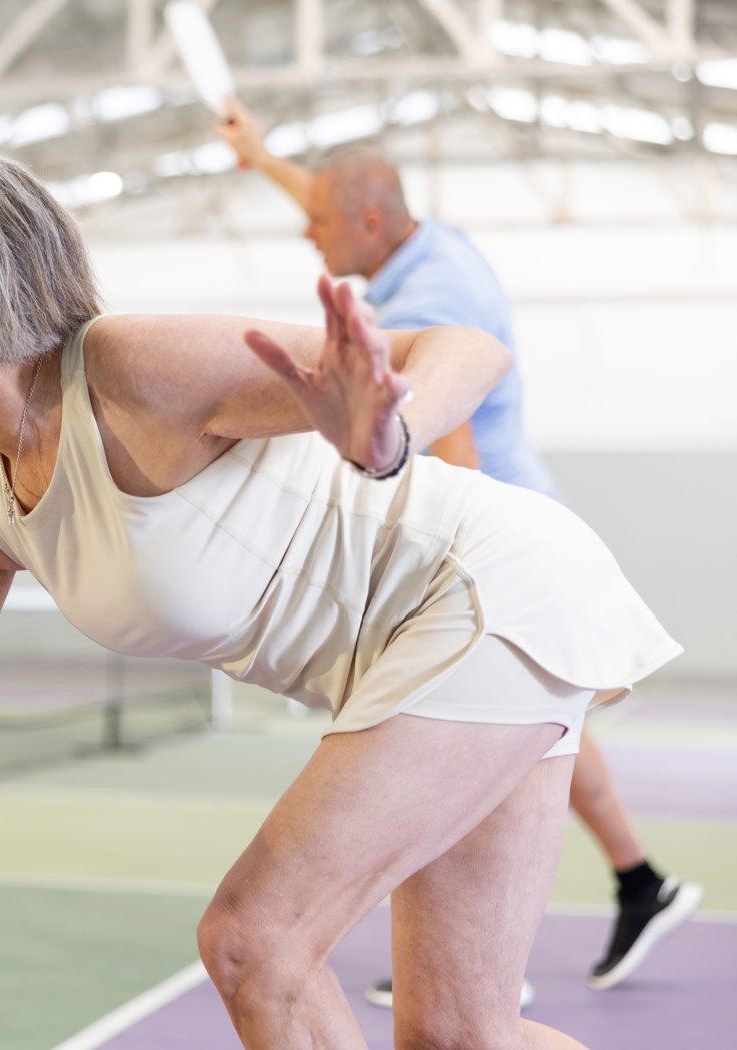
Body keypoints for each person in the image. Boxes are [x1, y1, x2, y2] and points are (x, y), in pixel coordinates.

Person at [0, 147, 681, 1050]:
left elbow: (468, 349)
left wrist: (386, 433)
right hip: (441, 639)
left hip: (490, 591)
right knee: (459, 1040)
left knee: (254, 940)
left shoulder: (128, 371)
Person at [215, 97, 702, 999]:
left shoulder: (433, 299)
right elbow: (336, 203)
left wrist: (428, 570)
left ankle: (480, 962)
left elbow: (455, 449)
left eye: (316, 224)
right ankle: (636, 884)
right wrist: (264, 155)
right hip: (533, 527)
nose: (306, 237)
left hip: (498, 541)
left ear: (366, 224)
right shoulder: (428, 240)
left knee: (441, 737)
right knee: (538, 735)